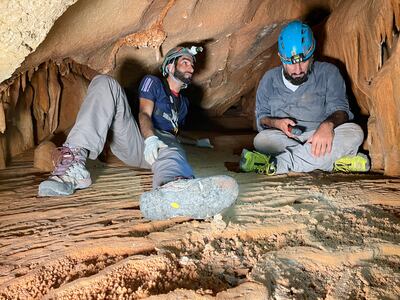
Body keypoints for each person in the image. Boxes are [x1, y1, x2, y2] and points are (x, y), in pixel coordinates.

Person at [38, 46, 238, 220]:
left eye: (192, 64)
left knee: (170, 147)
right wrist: (150, 138)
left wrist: (196, 143)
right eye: (185, 62)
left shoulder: (183, 105)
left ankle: (172, 189)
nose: (191, 67)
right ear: (170, 66)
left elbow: (173, 135)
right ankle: (73, 167)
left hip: (163, 147)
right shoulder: (154, 83)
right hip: (137, 140)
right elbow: (144, 113)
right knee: (105, 83)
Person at [240, 20, 370, 175]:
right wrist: (276, 123)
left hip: (322, 138)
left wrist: (327, 126)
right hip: (284, 139)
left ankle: (278, 163)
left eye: (304, 62)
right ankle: (332, 162)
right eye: (291, 64)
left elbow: (341, 110)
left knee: (355, 132)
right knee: (262, 140)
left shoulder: (329, 73)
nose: (298, 69)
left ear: (312, 54)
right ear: (281, 57)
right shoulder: (269, 79)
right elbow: (262, 118)